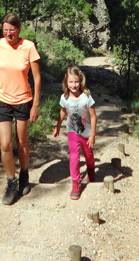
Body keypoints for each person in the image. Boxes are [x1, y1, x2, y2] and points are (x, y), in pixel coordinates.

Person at [0, 13, 41, 205]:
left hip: (23, 99)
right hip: (1, 99)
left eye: (12, 29)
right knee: (6, 144)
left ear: (19, 29)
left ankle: (24, 174)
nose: (8, 33)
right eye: (5, 30)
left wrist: (35, 105)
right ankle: (11, 182)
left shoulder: (29, 47)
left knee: (22, 141)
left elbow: (37, 78)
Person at [53, 65, 97, 200]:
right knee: (74, 157)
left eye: (76, 81)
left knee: (88, 155)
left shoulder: (86, 97)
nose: (74, 85)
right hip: (72, 131)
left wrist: (93, 135)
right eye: (71, 82)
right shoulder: (64, 98)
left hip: (86, 133)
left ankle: (90, 169)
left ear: (81, 81)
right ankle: (76, 183)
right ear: (66, 82)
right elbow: (62, 112)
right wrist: (58, 126)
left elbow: (94, 116)